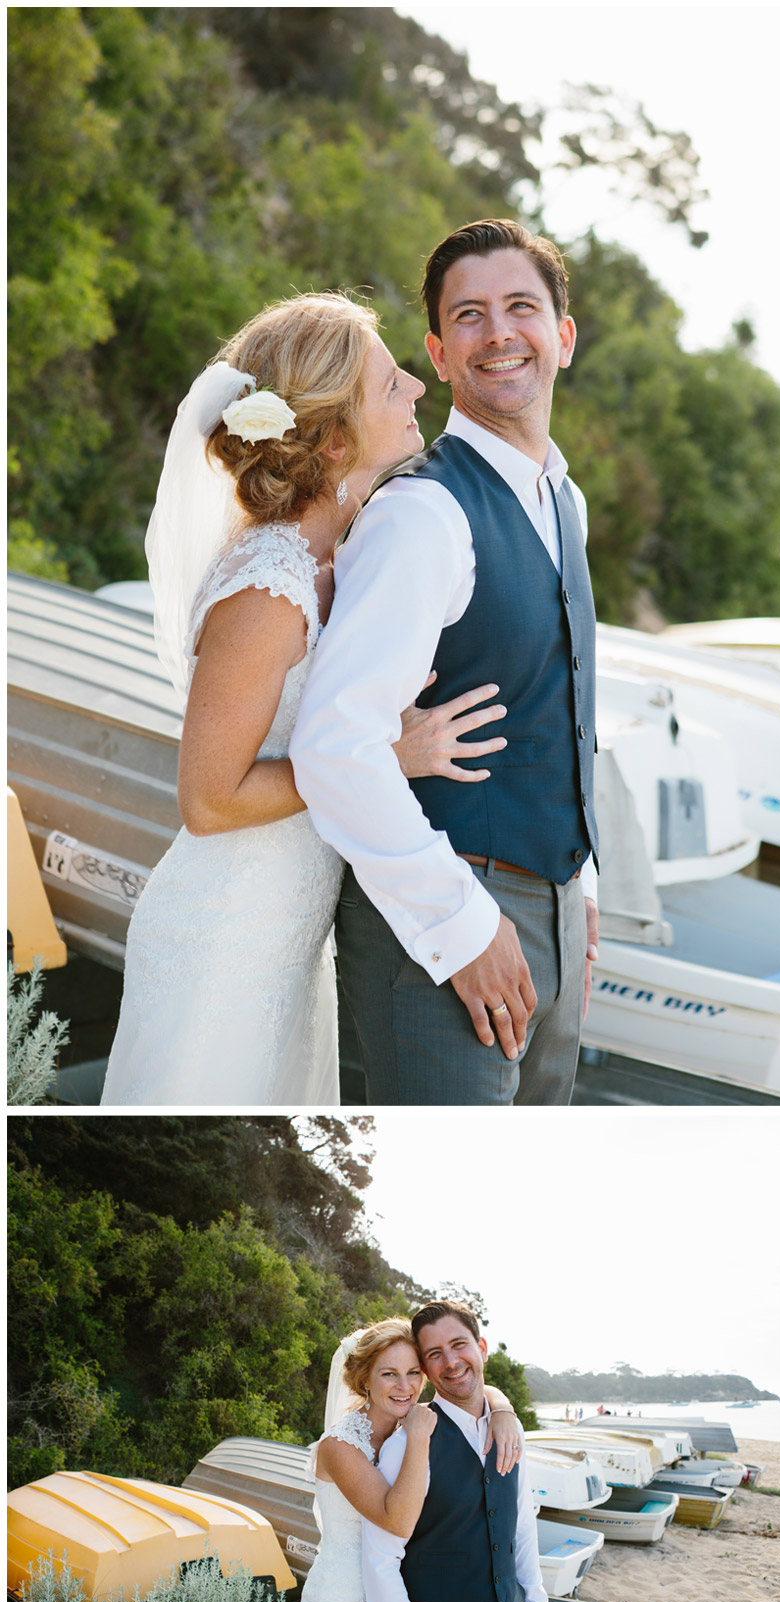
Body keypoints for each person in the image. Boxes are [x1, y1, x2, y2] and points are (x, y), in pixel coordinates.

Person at [102, 293, 502, 1107]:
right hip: (221, 941)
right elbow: (209, 800)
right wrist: (380, 755)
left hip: (287, 935)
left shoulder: (335, 563)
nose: (419, 391)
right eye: (392, 385)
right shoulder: (268, 586)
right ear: (333, 436)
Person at [292, 218, 599, 1107]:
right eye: (469, 315)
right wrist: (463, 927)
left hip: (553, 919)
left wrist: (578, 890)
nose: (498, 332)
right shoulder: (423, 514)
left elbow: (565, 701)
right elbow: (336, 746)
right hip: (442, 923)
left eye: (520, 307)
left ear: (563, 336)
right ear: (436, 352)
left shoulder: (564, 499)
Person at [294, 1316, 527, 1602]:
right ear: (364, 1381)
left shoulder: (406, 1420)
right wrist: (418, 1438)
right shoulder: (339, 1446)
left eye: (414, 1372)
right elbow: (398, 1520)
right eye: (389, 1374)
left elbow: (475, 1387)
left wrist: (502, 1408)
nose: (405, 1386)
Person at [361, 1299, 548, 1602]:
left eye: (459, 1345)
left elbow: (522, 1524)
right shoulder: (407, 1443)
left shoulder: (509, 1430)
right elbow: (380, 1560)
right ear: (426, 1370)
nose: (450, 1361)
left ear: (481, 1348)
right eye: (434, 1354)